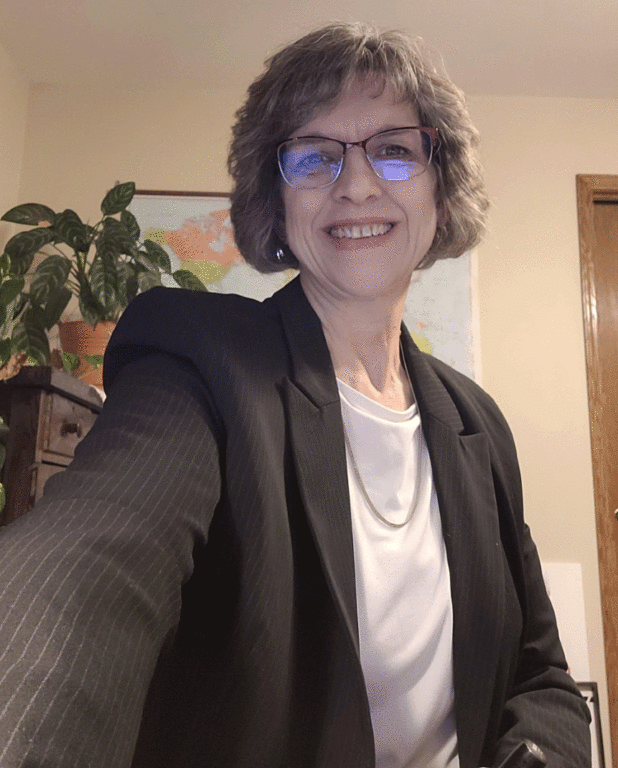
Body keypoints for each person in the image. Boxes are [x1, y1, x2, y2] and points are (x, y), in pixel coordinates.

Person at [0, 22, 591, 768]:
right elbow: (85, 568)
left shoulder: (479, 423)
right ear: (276, 202)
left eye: (396, 150)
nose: (356, 184)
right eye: (313, 155)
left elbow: (543, 676)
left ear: (443, 192)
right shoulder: (201, 359)